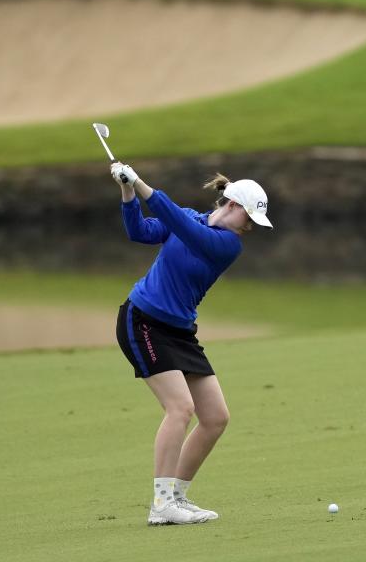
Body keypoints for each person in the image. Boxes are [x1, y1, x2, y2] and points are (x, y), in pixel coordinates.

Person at [109, 161, 272, 526]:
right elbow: (138, 231)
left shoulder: (227, 245)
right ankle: (162, 504)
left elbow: (179, 225)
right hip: (144, 322)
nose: (249, 227)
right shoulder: (188, 218)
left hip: (180, 331)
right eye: (249, 218)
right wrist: (127, 190)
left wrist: (140, 181)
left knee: (215, 418)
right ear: (231, 205)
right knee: (180, 408)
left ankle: (177, 498)